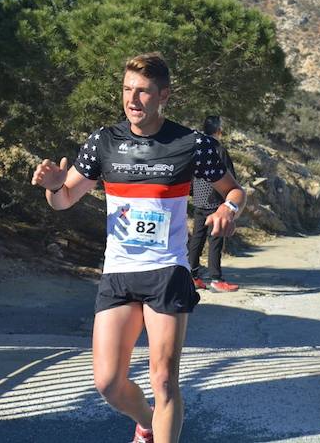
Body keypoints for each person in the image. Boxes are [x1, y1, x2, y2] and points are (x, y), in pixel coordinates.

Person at [31, 53, 246, 443]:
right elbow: (63, 201)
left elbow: (233, 190)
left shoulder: (191, 144)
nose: (133, 99)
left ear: (163, 95)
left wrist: (228, 210)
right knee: (108, 382)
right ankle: (147, 422)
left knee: (164, 379)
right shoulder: (104, 141)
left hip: (167, 271)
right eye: (127, 89)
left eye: (143, 91)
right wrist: (53, 186)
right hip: (119, 272)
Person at [187, 116, 240, 292]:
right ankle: (216, 279)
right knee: (216, 239)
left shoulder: (196, 146)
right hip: (216, 201)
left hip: (199, 200)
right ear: (219, 131)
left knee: (197, 238)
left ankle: (192, 276)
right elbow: (230, 179)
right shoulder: (219, 149)